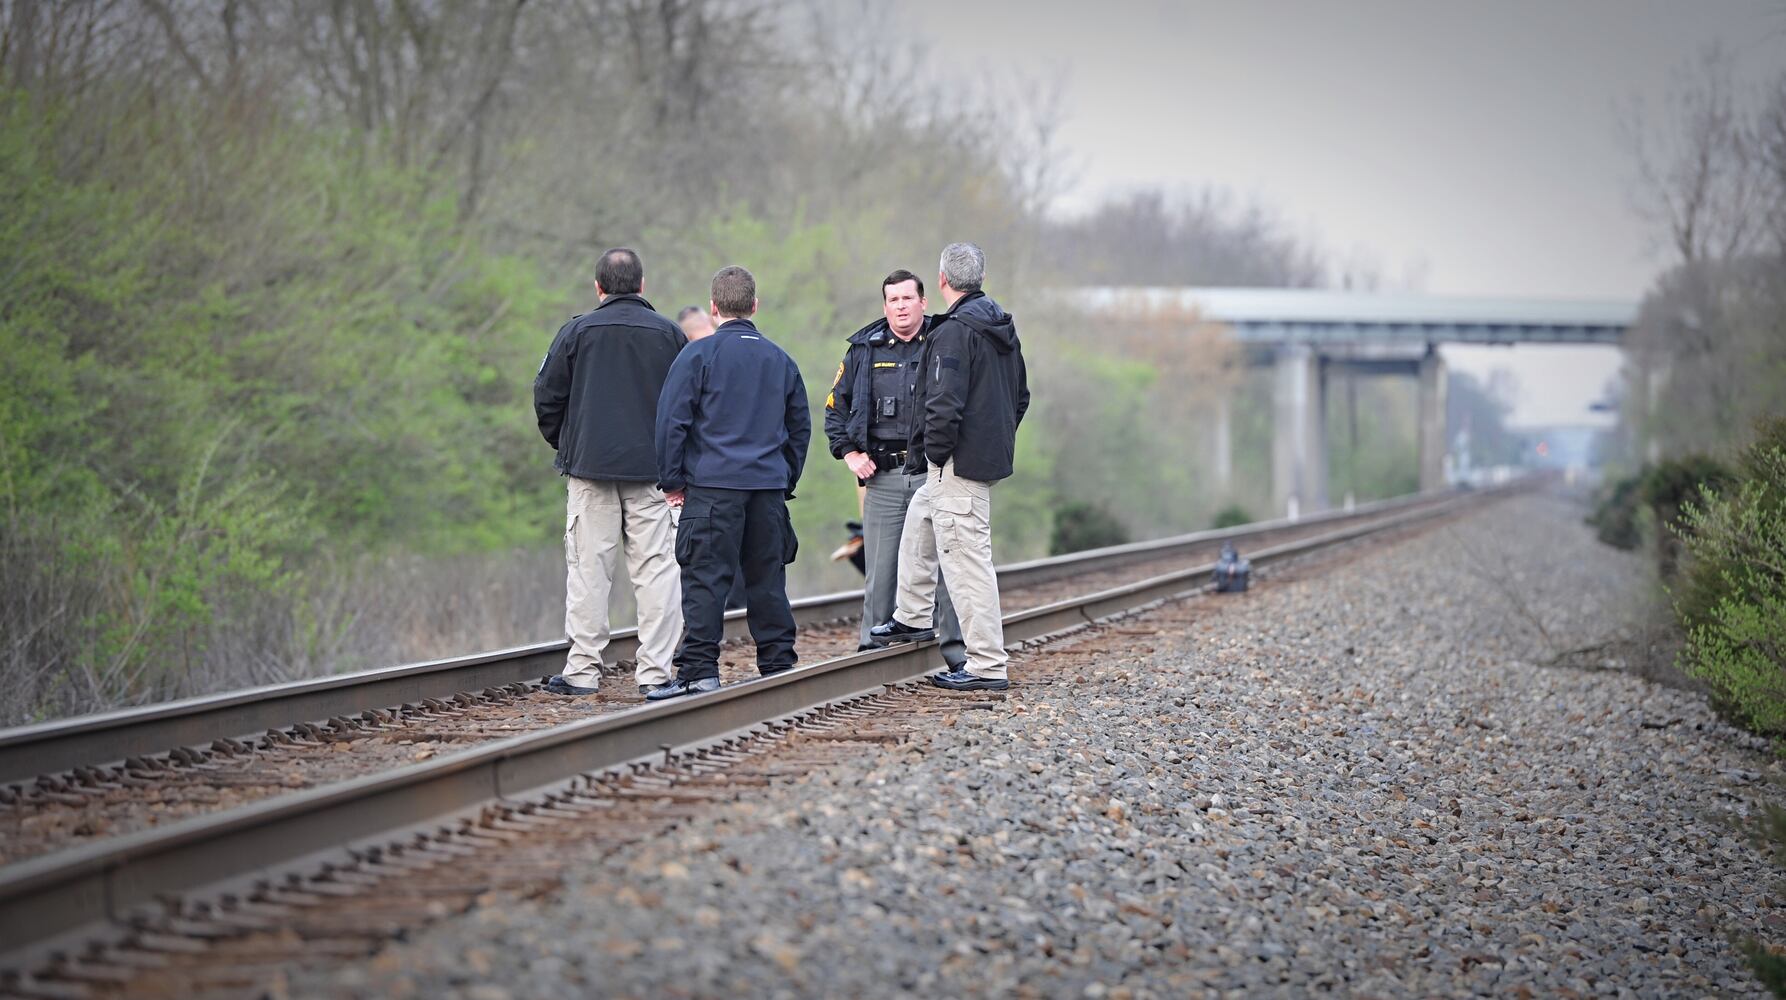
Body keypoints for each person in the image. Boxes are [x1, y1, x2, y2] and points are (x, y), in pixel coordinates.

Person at [869, 242, 1029, 691]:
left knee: (966, 562)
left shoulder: (955, 332)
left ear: (941, 281)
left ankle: (986, 664)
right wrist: (990, 442)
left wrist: (938, 457)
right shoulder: (999, 326)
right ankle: (913, 616)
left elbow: (942, 404)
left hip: (955, 463)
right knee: (921, 519)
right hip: (976, 459)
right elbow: (1020, 398)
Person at [649, 265, 811, 700]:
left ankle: (700, 671)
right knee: (767, 579)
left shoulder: (697, 356)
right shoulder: (781, 360)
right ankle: (778, 665)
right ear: (754, 306)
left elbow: (671, 422)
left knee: (705, 579)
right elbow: (800, 429)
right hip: (767, 489)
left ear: (715, 308)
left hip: (712, 489)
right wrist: (784, 479)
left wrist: (672, 482)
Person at [533, 248, 686, 698]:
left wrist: (569, 445)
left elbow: (546, 397)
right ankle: (655, 674)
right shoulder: (670, 335)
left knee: (588, 573)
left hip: (590, 473)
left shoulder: (576, 332)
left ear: (598, 287)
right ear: (643, 285)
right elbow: (685, 406)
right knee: (658, 573)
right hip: (654, 474)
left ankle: (582, 673)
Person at [824, 269, 967, 670]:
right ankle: (872, 660)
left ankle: (958, 657)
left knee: (946, 569)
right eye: (893, 300)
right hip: (883, 478)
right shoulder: (862, 350)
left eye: (908, 298)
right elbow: (834, 411)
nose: (900, 306)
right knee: (881, 574)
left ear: (924, 302)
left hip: (936, 473)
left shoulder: (945, 342)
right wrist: (849, 453)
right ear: (884, 305)